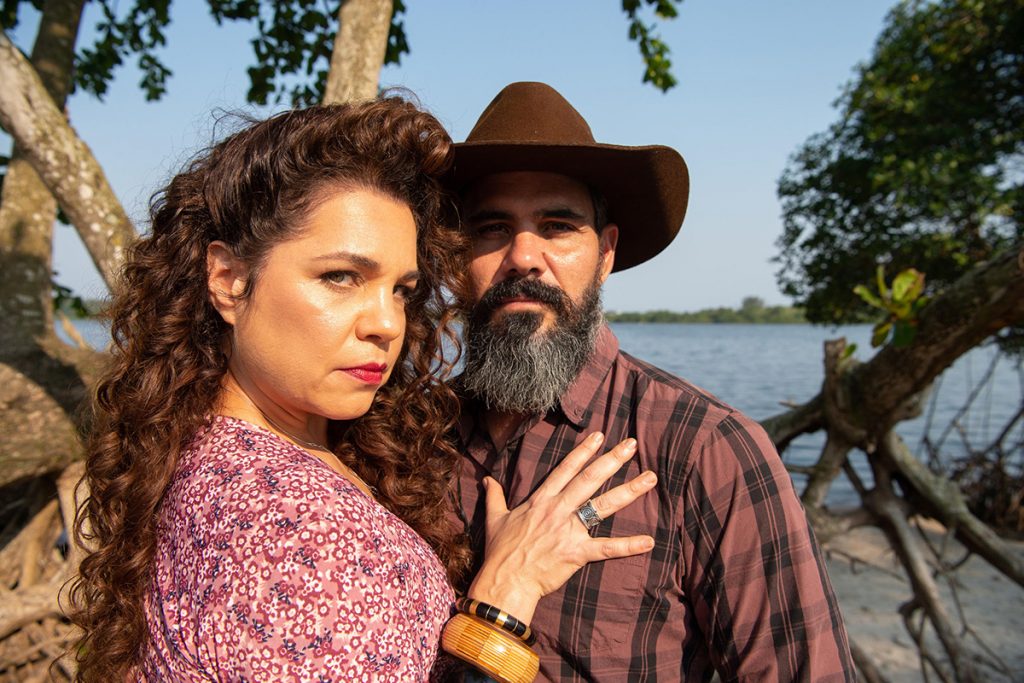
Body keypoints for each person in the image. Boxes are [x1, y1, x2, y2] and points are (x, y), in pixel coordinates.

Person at [68, 97, 658, 682]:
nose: (387, 323)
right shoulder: (291, 533)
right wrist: (506, 598)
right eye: (341, 277)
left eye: (401, 289)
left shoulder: (222, 446)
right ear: (228, 280)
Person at [448, 82, 857, 682]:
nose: (524, 256)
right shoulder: (408, 433)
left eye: (558, 226)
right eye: (491, 229)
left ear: (606, 253)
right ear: (453, 251)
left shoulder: (707, 450)